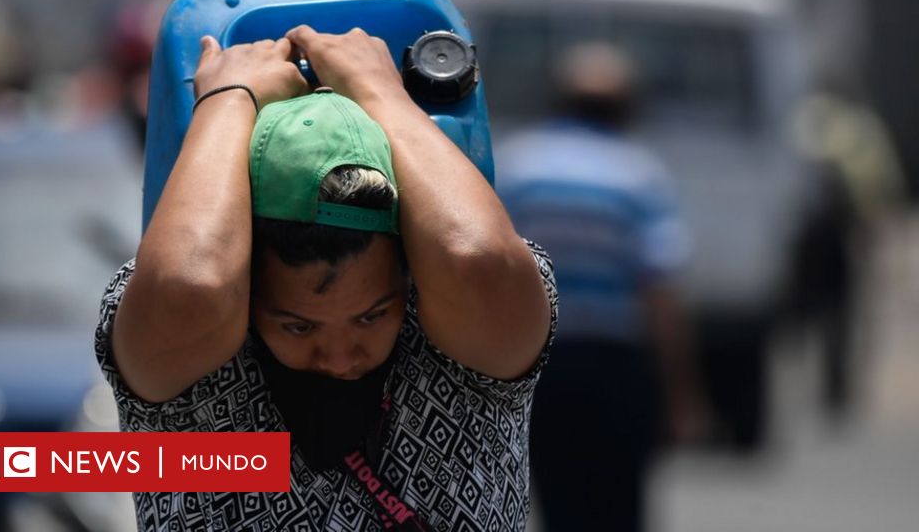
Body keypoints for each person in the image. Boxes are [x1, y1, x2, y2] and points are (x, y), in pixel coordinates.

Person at [94, 26, 556, 531]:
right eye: (298, 326)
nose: (340, 359)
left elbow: (477, 259)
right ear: (245, 289)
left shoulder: (458, 367)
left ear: (409, 270)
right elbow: (192, 285)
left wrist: (380, 92)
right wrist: (228, 101)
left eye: (372, 315)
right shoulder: (202, 390)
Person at [496, 43, 702, 532]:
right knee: (619, 506)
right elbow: (660, 292)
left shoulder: (519, 166)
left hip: (540, 366)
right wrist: (682, 392)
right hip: (616, 367)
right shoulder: (639, 177)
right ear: (628, 108)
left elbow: (495, 266)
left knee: (559, 500)